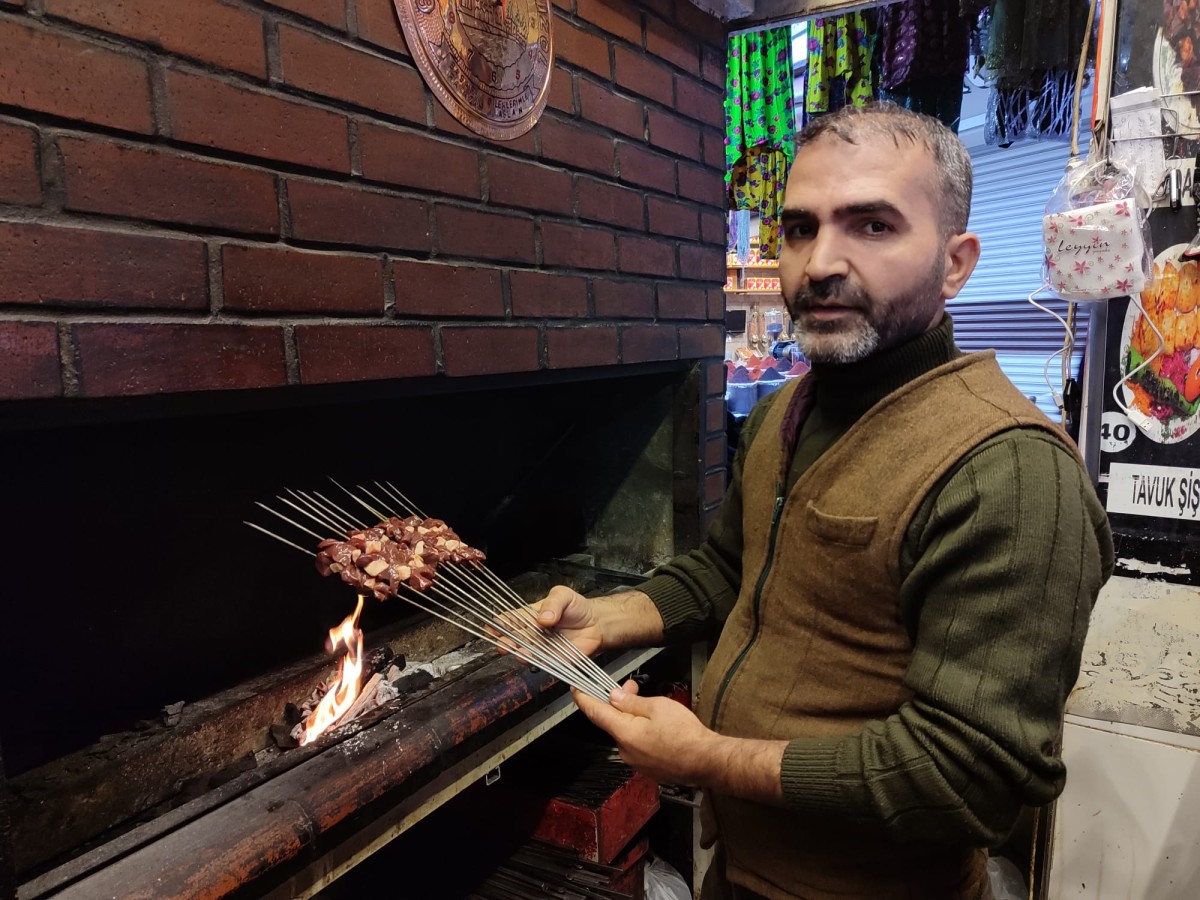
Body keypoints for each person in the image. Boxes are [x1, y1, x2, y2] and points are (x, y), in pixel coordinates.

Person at [531, 103, 1114, 900]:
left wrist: (706, 758)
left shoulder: (1011, 470)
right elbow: (734, 569)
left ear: (956, 263)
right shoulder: (785, 411)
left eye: (872, 226)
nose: (820, 263)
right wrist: (611, 615)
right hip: (740, 873)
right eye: (800, 229)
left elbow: (970, 780)